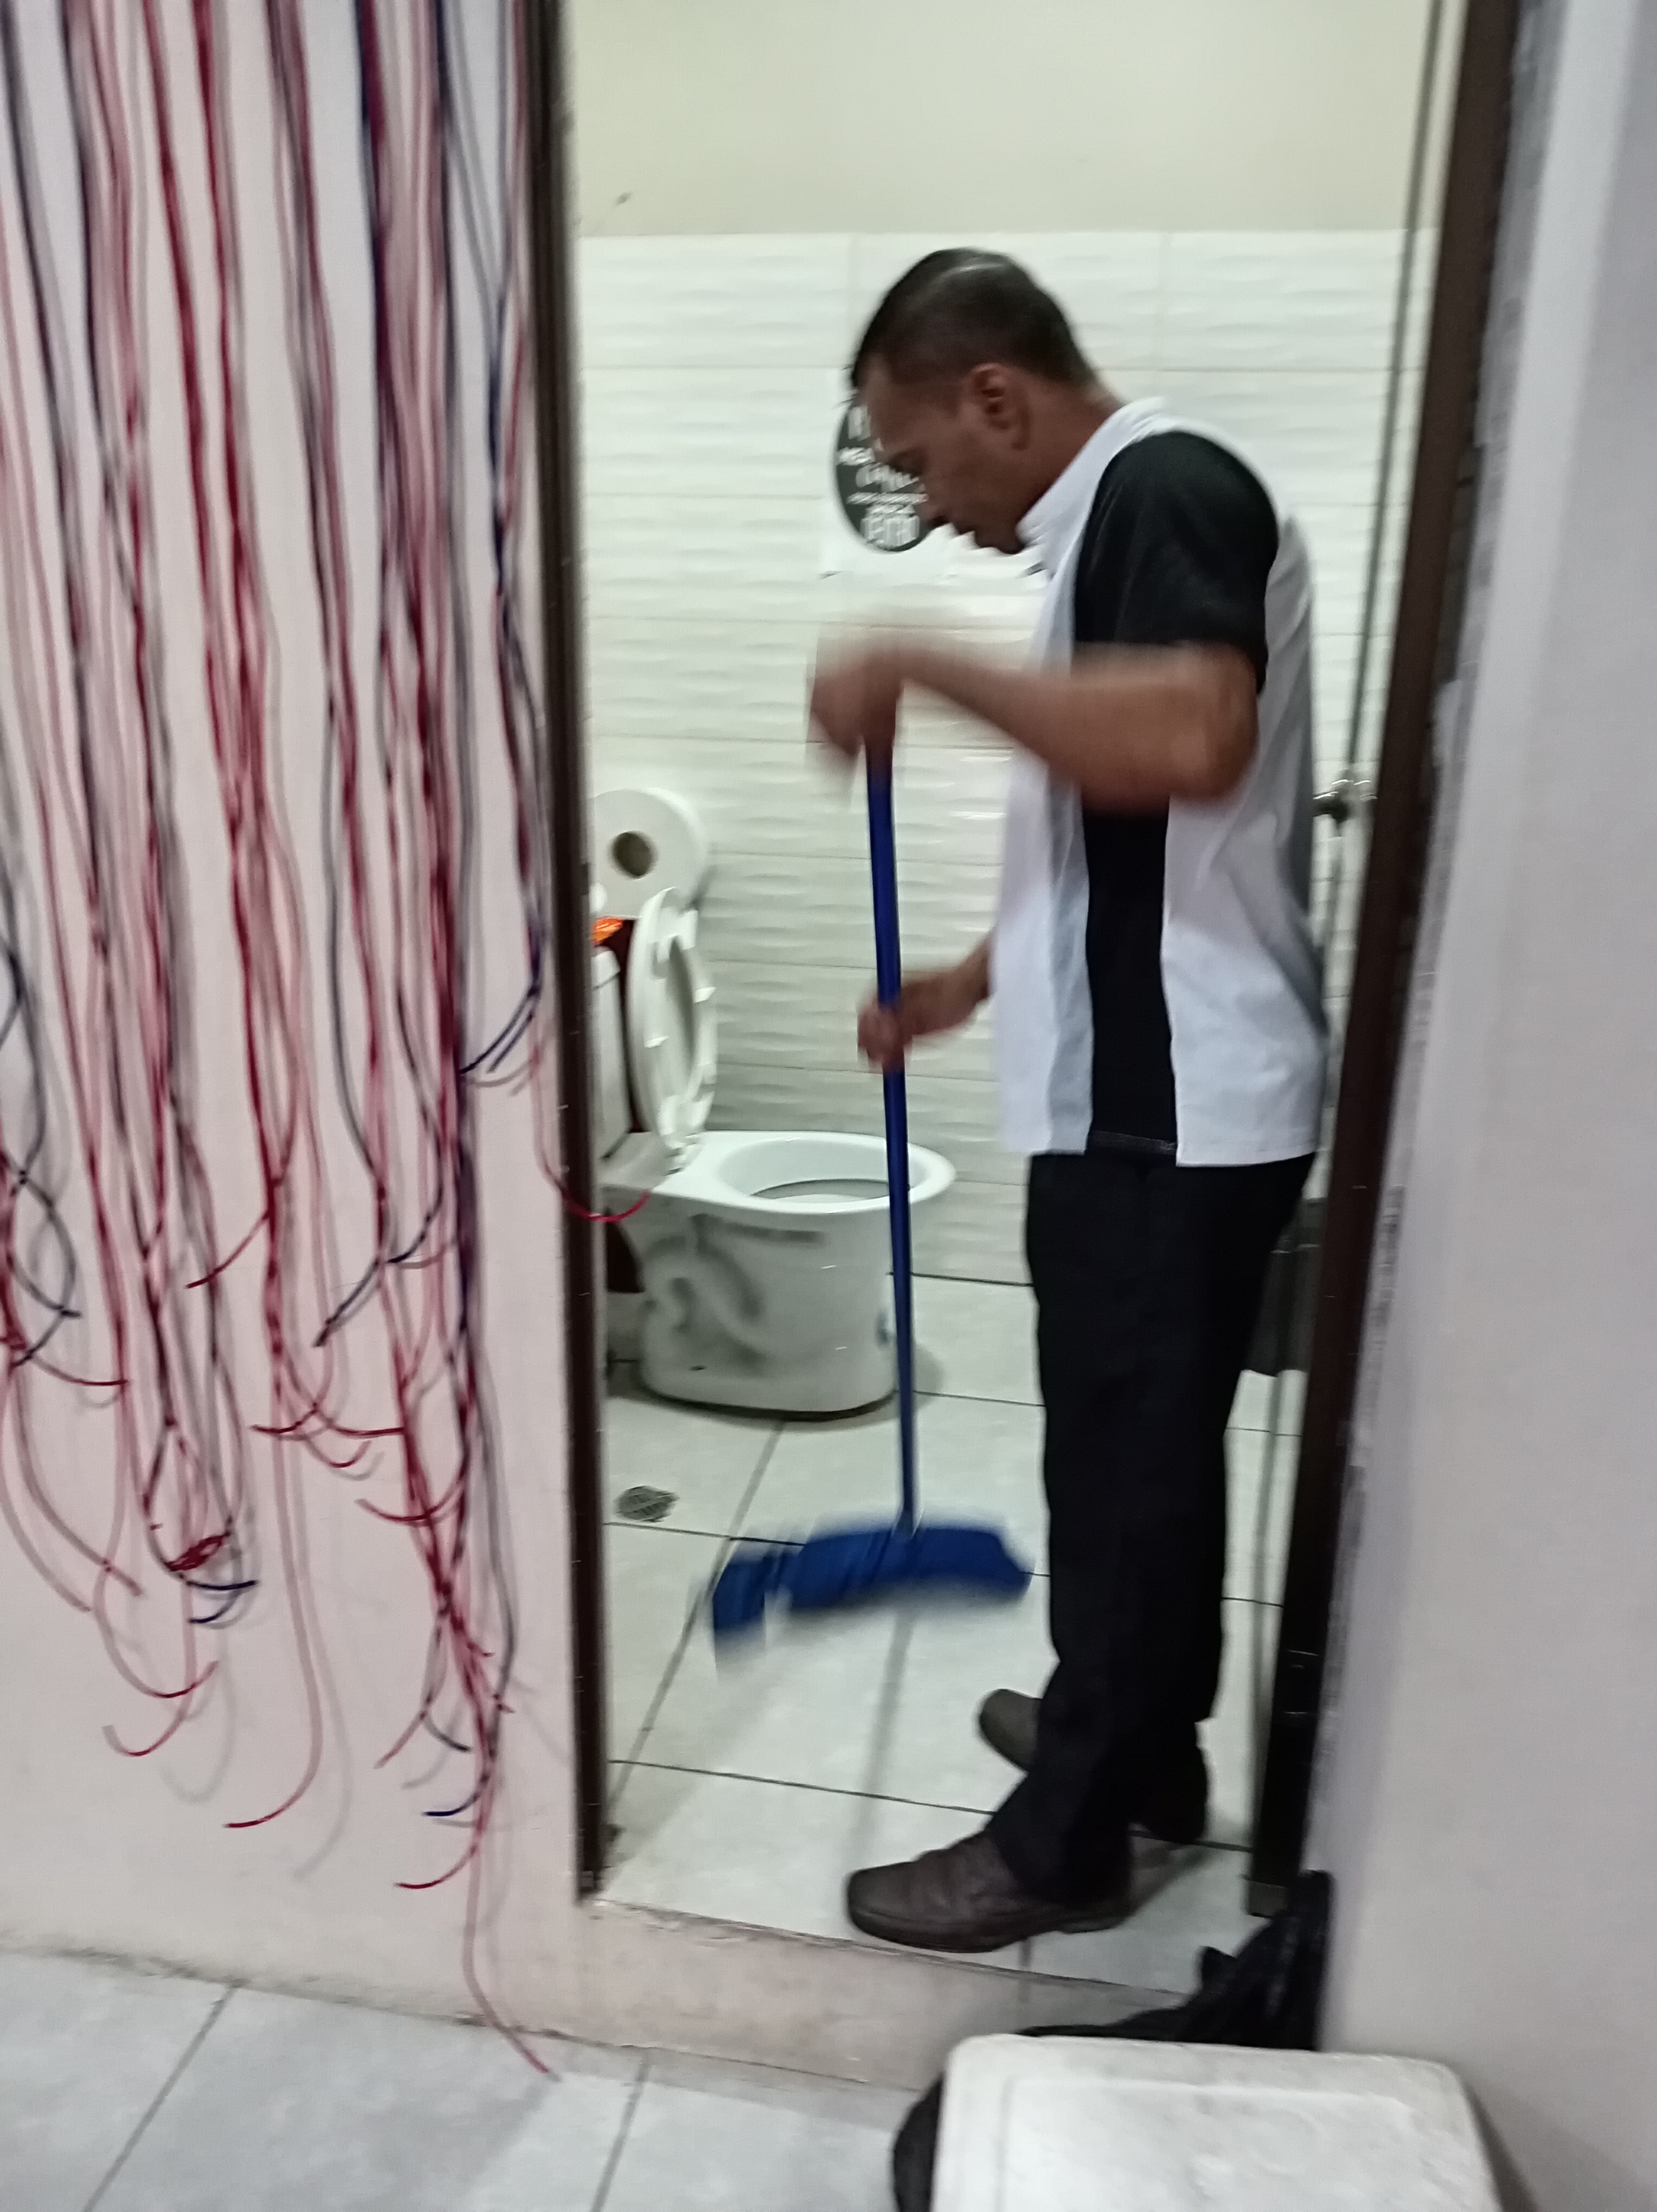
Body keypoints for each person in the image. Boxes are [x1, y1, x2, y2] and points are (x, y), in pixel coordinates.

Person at [809, 252, 1327, 1954]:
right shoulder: (1112, 522)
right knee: (1133, 1459)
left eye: (921, 460)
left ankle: (1066, 1844)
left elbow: (1189, 739)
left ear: (997, 396)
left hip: (1169, 1110)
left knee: (1124, 1475)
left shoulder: (1163, 486)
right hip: (1142, 1096)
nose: (929, 505)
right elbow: (1129, 843)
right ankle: (1145, 1751)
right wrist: (975, 980)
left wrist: (922, 663)